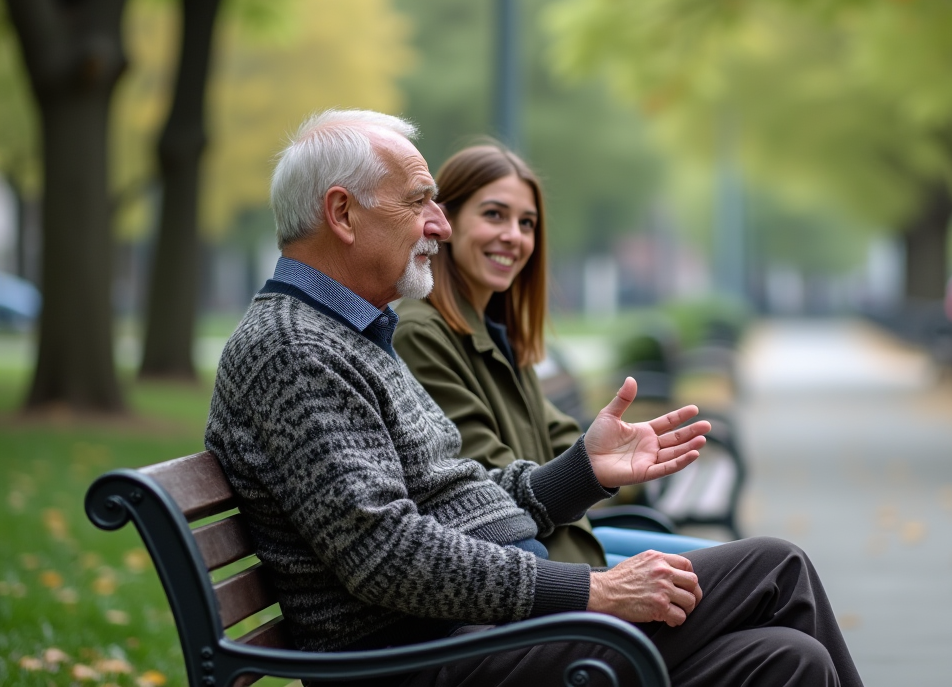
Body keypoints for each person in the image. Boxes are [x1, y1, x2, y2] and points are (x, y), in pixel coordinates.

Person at [205, 108, 864, 687]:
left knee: (786, 660)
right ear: (343, 213)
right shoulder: (294, 351)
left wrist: (584, 472)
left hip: (473, 635)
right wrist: (594, 591)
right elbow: (388, 556)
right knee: (778, 567)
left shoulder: (352, 336)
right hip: (431, 656)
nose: (438, 223)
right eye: (419, 202)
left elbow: (459, 499)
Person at [393, 140, 714, 567]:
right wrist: (591, 468)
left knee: (765, 569)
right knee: (773, 570)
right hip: (543, 570)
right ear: (445, 220)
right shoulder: (421, 333)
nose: (514, 236)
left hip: (572, 543)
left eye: (527, 223)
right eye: (494, 215)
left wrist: (618, 454)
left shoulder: (497, 330)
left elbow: (558, 435)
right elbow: (485, 492)